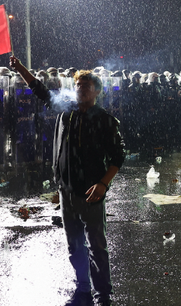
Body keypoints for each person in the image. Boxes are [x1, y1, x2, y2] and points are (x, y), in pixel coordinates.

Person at [11, 56, 124, 306]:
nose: (81, 90)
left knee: (97, 246)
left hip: (92, 192)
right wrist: (19, 68)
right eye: (78, 86)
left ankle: (103, 294)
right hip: (67, 192)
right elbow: (40, 90)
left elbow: (119, 156)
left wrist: (103, 184)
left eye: (86, 86)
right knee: (75, 245)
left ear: (96, 91)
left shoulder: (104, 119)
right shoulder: (66, 111)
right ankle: (83, 288)